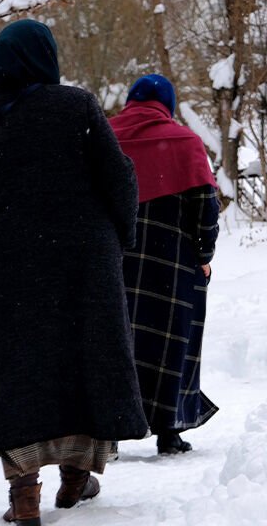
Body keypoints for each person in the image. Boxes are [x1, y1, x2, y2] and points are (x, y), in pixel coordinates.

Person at [0, 19, 147, 526]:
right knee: (83, 361)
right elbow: (118, 176)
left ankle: (24, 495)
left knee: (17, 371)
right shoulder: (77, 106)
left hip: (7, 268)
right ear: (48, 58)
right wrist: (119, 238)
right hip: (83, 261)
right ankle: (76, 476)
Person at [109, 75, 220, 456]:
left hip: (114, 261)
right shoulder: (185, 142)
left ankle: (108, 429)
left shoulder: (104, 137)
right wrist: (204, 256)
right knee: (171, 341)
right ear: (168, 104)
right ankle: (169, 428)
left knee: (115, 342)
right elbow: (205, 205)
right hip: (171, 260)